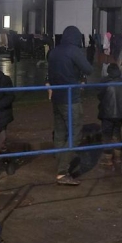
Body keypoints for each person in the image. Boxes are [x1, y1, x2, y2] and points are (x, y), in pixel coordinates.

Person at [47, 26, 93, 185]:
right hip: (71, 98)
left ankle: (61, 164)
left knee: (60, 133)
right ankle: (62, 171)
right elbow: (88, 69)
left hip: (57, 99)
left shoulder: (54, 51)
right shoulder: (74, 51)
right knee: (75, 133)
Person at [97, 63, 122, 167]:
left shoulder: (104, 81)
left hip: (107, 113)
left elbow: (100, 95)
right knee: (117, 133)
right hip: (119, 113)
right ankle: (118, 157)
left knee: (107, 136)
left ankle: (108, 159)